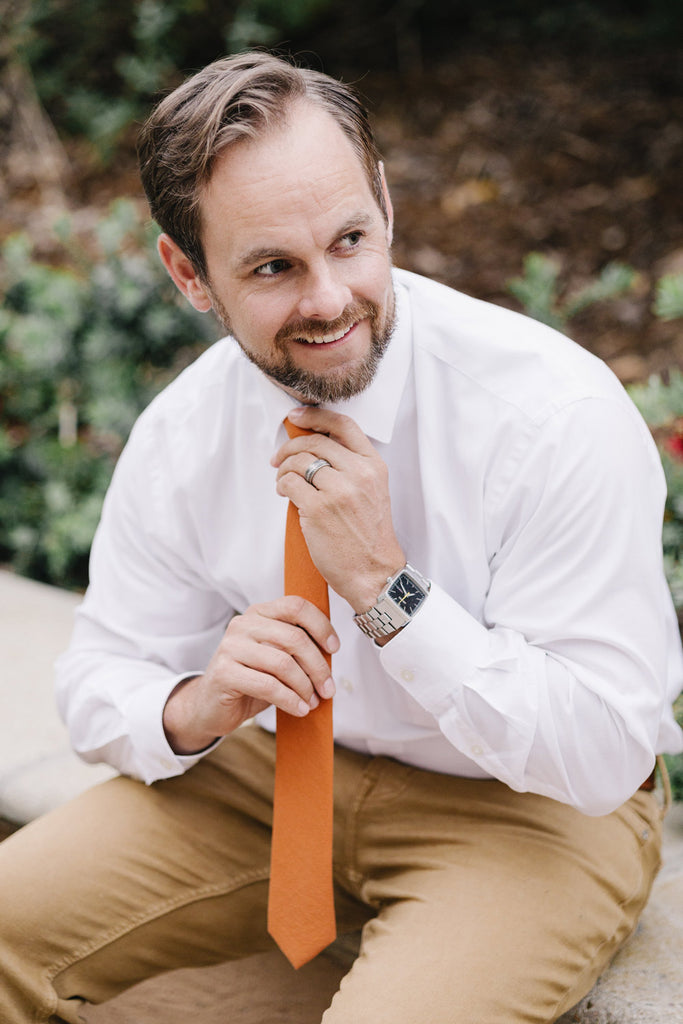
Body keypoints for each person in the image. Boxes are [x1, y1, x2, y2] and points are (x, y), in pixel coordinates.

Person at [1, 50, 682, 1024]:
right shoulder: (185, 432)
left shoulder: (551, 414)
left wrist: (383, 585)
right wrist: (203, 701)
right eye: (273, 266)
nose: (328, 299)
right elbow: (100, 679)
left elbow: (600, 748)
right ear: (187, 273)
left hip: (523, 807)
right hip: (267, 773)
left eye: (349, 240)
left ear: (386, 208)